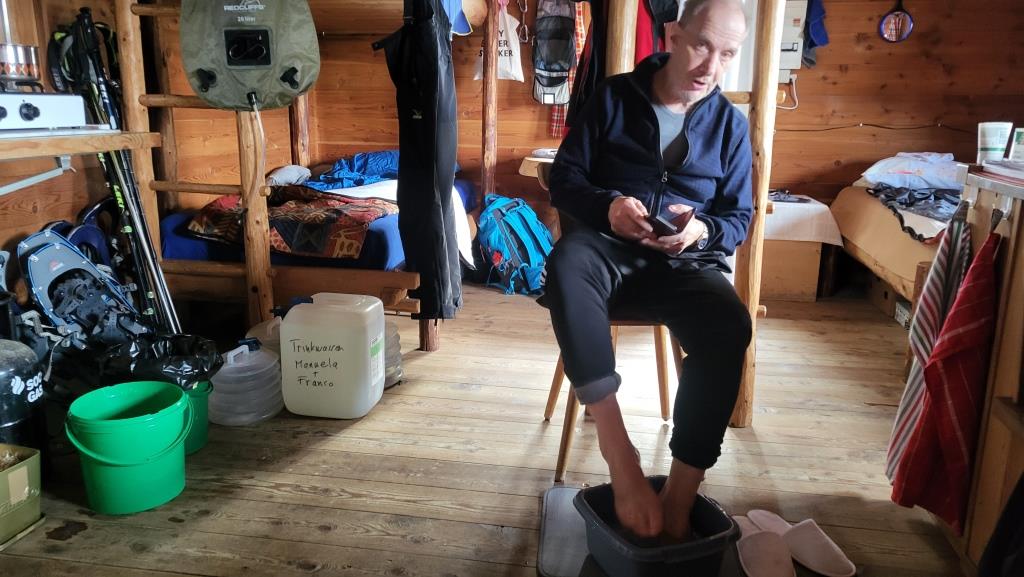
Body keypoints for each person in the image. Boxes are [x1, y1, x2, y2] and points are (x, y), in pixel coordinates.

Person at [544, 0, 753, 541]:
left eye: (727, 54)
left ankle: (681, 493)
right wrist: (608, 206)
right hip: (606, 251)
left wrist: (701, 230)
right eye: (702, 45)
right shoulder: (613, 97)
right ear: (673, 35)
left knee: (730, 324)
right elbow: (564, 179)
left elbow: (738, 218)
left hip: (684, 263)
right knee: (566, 262)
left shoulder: (730, 125)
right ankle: (620, 456)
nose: (711, 67)